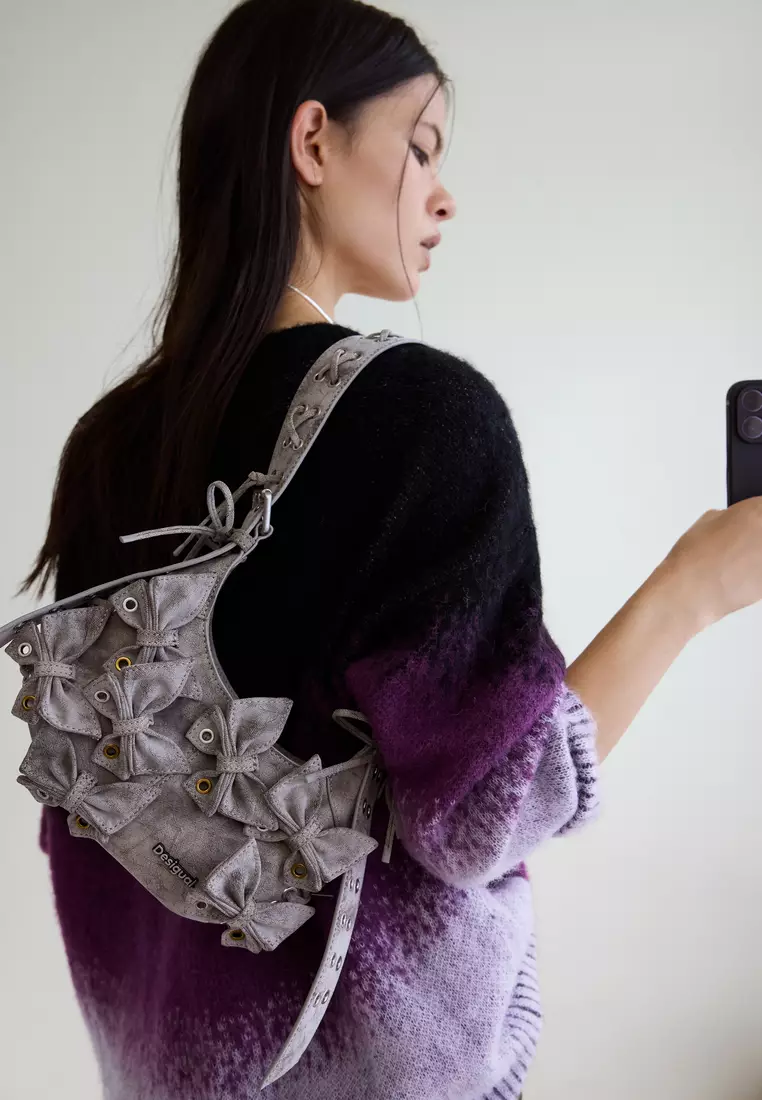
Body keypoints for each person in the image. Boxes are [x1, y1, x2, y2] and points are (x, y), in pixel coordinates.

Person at [20, 1, 762, 1098]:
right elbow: (485, 810)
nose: (444, 191)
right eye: (420, 147)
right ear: (313, 141)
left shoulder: (109, 447)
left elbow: (94, 820)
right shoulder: (423, 419)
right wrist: (692, 591)